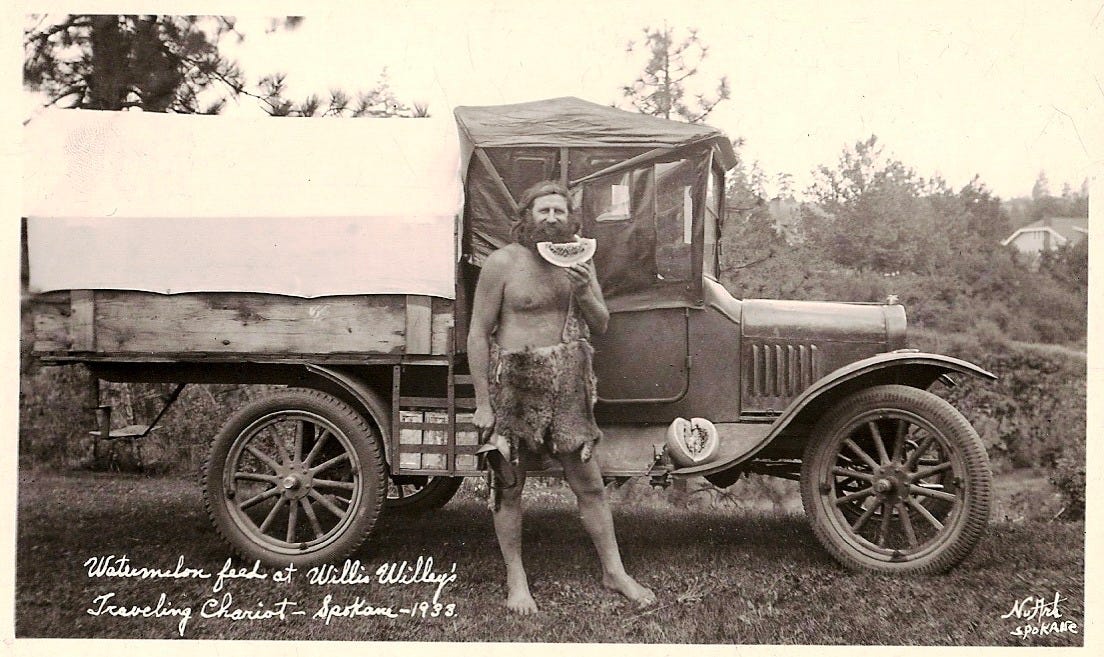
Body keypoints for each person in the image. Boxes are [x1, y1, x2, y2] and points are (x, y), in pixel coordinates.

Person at [467, 180, 656, 614]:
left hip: (569, 383)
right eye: (542, 211)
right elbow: (478, 334)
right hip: (514, 384)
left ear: (571, 220)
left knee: (589, 485)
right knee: (509, 487)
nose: (551, 218)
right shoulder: (501, 264)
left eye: (558, 211)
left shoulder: (581, 263)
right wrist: (482, 402)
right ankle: (516, 579)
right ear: (526, 217)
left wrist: (587, 290)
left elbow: (602, 324)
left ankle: (615, 572)